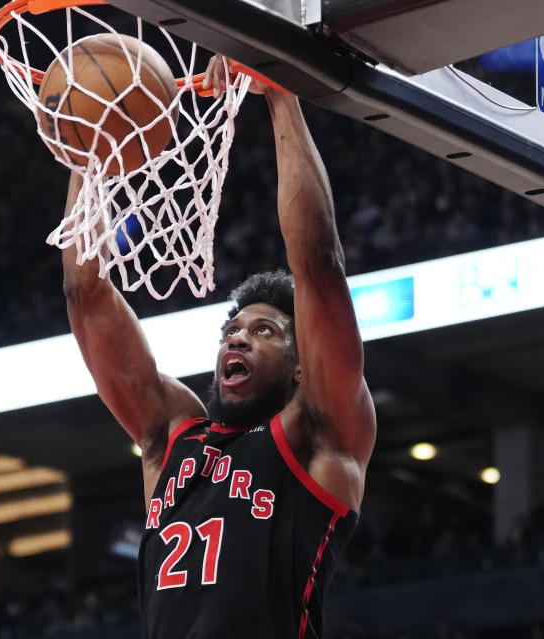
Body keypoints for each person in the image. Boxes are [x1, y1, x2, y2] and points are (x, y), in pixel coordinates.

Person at [60, 57, 376, 639]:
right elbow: (86, 293)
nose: (238, 337)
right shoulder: (170, 436)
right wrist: (91, 158)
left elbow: (319, 265)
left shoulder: (318, 434)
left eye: (264, 331)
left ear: (303, 367)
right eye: (234, 330)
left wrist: (279, 93)